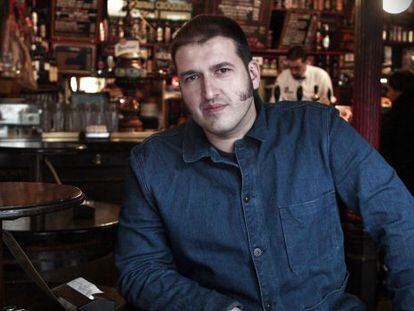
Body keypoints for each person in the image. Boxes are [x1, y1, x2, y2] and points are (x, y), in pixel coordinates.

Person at [116, 14, 414, 310]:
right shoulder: (150, 164)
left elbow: (400, 218)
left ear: (253, 74)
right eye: (192, 77)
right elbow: (140, 269)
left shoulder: (317, 130)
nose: (208, 92)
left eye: (222, 70)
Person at [381, 70, 414, 195]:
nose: (388, 95)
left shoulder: (398, 113)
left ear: (398, 90)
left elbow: (387, 143)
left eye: (389, 90)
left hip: (402, 171)